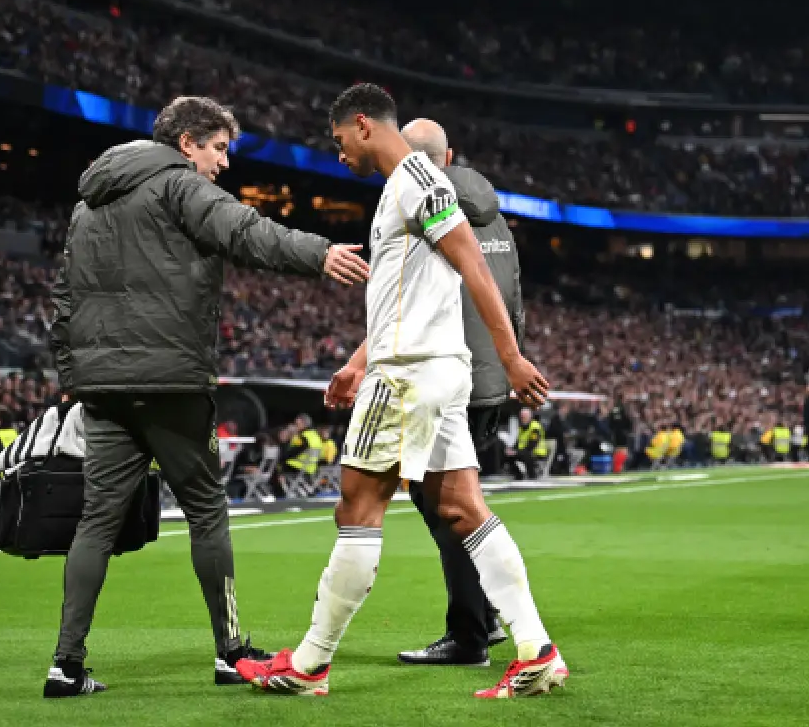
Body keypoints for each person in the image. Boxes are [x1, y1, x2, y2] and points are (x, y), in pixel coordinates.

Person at [236, 83, 563, 699]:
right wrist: (359, 361)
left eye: (338, 142)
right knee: (466, 511)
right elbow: (408, 293)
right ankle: (535, 649)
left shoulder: (414, 181)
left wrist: (514, 357)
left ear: (364, 125)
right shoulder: (411, 185)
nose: (338, 156)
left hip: (409, 376)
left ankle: (308, 665)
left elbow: (472, 264)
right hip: (428, 368)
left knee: (356, 508)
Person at [45, 95, 370, 698]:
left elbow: (64, 299)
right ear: (187, 141)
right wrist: (319, 253)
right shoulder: (177, 185)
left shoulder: (87, 206)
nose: (222, 164)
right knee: (205, 508)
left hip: (102, 385)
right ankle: (228, 652)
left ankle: (65, 664)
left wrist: (73, 375)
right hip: (170, 379)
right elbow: (245, 231)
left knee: (97, 520)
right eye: (218, 148)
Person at [390, 118, 522, 668]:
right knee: (455, 501)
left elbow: (407, 302)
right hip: (488, 383)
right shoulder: (500, 222)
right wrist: (506, 365)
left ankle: (471, 632)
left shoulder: (424, 213)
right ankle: (484, 619)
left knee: (446, 506)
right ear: (450, 156)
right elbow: (513, 297)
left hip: (447, 380)